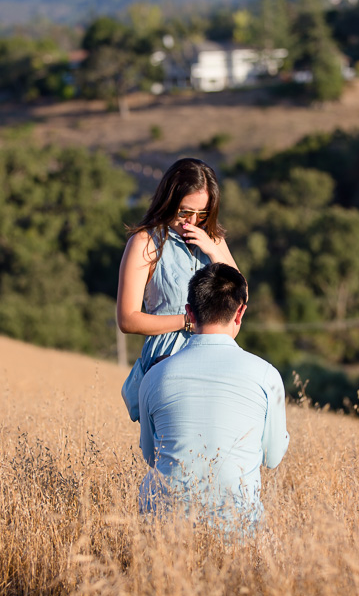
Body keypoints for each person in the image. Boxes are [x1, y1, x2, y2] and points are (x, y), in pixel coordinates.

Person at [136, 263, 289, 529]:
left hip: (165, 533)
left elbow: (152, 456)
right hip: (239, 529)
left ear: (189, 313)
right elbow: (272, 458)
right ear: (240, 313)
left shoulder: (154, 376)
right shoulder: (267, 375)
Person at [116, 158, 238, 421]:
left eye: (201, 214)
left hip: (216, 359)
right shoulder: (145, 242)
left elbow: (242, 296)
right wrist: (188, 322)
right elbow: (127, 319)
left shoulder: (214, 239)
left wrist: (214, 250)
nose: (191, 221)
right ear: (168, 200)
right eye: (184, 212)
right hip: (166, 362)